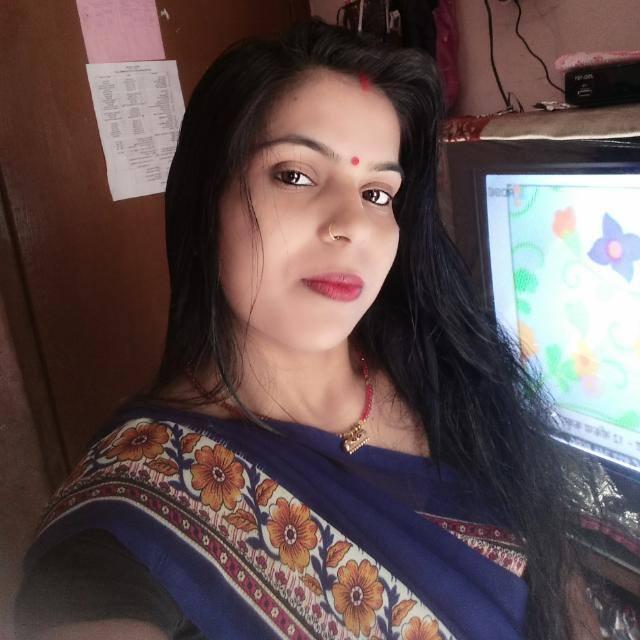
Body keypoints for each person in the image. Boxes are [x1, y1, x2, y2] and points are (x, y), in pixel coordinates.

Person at [15, 19, 602, 640]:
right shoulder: (142, 505)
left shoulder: (444, 367)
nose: (352, 224)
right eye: (295, 175)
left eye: (378, 193)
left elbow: (554, 573)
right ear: (207, 199)